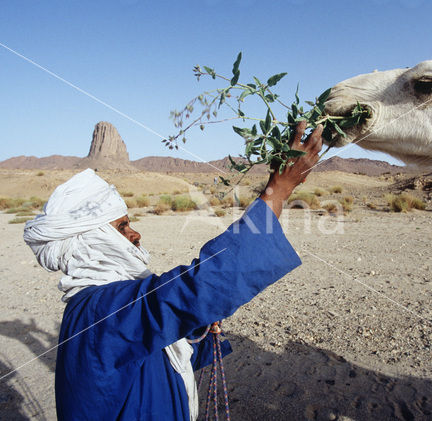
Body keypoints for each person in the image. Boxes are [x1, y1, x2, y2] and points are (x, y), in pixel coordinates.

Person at [23, 122, 323, 420]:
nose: (135, 234)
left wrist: (196, 324)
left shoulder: (101, 303)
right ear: (91, 240)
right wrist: (279, 190)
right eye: (122, 227)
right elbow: (193, 289)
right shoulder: (100, 310)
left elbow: (155, 335)